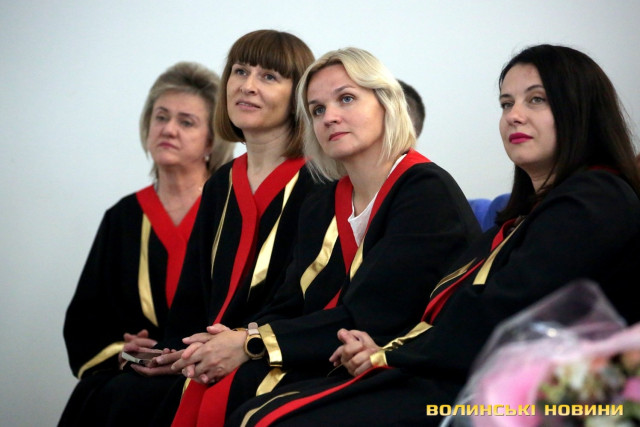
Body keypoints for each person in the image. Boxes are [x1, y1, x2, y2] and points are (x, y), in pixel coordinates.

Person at [227, 44, 640, 427]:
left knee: (273, 419)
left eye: (536, 100)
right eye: (506, 103)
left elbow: (503, 315)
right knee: (250, 401)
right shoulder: (527, 215)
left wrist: (388, 353)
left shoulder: (595, 198)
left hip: (537, 396)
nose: (514, 115)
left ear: (581, 108)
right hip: (459, 371)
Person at [169, 47, 480, 426]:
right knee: (204, 381)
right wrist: (236, 336)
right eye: (317, 110)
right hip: (334, 355)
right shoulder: (323, 201)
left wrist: (253, 343)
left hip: (409, 368)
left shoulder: (425, 190)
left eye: (346, 99)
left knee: (257, 412)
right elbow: (290, 302)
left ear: (386, 103)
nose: (329, 116)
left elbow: (375, 317)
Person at [60, 30, 319, 426]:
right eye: (240, 71)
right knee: (109, 395)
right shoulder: (222, 184)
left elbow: (311, 297)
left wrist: (244, 343)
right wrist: (172, 352)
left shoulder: (320, 183)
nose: (248, 85)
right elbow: (193, 299)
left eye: (268, 76)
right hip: (205, 355)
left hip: (271, 358)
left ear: (299, 95)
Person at [59, 61, 233, 424]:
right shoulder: (123, 216)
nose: (168, 129)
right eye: (161, 117)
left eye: (186, 122)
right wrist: (121, 350)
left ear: (211, 140)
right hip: (133, 374)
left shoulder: (232, 210)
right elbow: (86, 319)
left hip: (207, 371)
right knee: (103, 396)